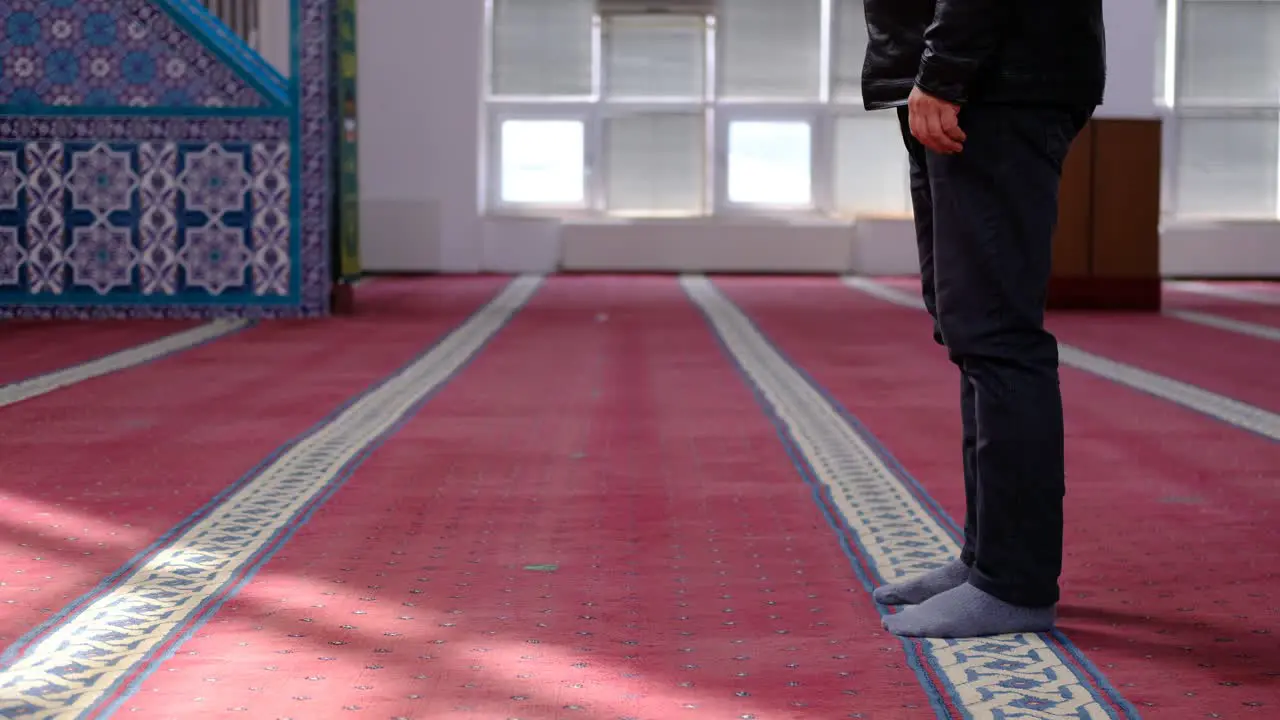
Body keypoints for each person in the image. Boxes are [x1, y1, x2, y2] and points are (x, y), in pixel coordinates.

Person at [861, 1, 1106, 638]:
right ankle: (984, 560)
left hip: (995, 83)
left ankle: (1013, 583)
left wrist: (946, 70)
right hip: (962, 78)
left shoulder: (972, 76)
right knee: (968, 327)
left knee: (997, 333)